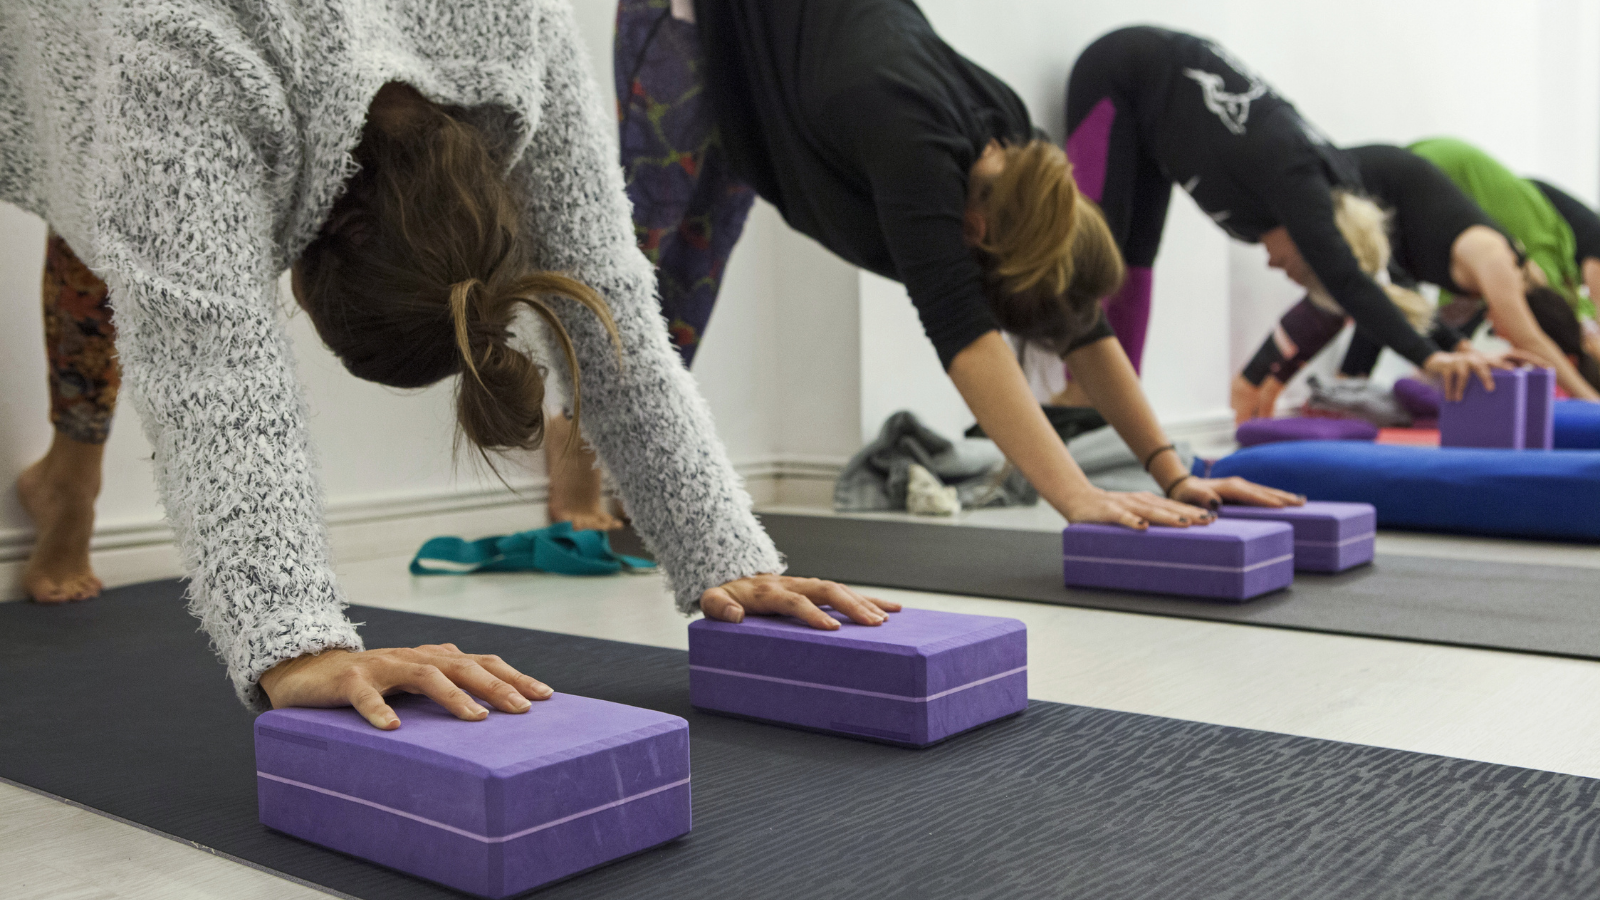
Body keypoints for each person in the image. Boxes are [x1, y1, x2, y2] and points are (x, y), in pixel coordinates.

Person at [3, 0, 896, 728]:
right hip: (81, 31)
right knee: (120, 211)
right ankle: (71, 484)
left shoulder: (523, 34)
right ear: (303, 256)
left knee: (126, 218)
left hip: (188, 80)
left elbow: (612, 309)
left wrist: (727, 559)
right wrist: (295, 641)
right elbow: (214, 363)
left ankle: (65, 477)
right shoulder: (188, 50)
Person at [569, 0, 1303, 535]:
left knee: (692, 273)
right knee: (639, 251)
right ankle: (572, 486)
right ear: (976, 232)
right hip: (693, 21)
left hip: (785, 56)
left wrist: (1176, 473)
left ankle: (632, 476)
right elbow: (967, 336)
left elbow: (1080, 326)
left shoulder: (1015, 150)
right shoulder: (914, 147)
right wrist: (1076, 495)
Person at [1061, 26, 1504, 423]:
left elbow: (1383, 279)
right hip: (1120, 71)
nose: (1278, 270)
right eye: (1301, 271)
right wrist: (1427, 359)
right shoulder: (1299, 185)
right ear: (1313, 243)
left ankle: (1117, 396)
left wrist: (1456, 347)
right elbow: (1347, 279)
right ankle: (1084, 391)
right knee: (1098, 248)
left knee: (1135, 259)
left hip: (1155, 114)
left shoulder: (1332, 193)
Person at [1236, 143, 1600, 414]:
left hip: (1391, 200)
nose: (1498, 330)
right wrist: (1591, 402)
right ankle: (1252, 389)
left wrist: (1461, 352)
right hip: (1363, 182)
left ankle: (1263, 397)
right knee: (1332, 290)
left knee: (1363, 296)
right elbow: (1531, 339)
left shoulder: (1477, 285)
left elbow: (1427, 321)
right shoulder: (1498, 262)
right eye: (1501, 328)